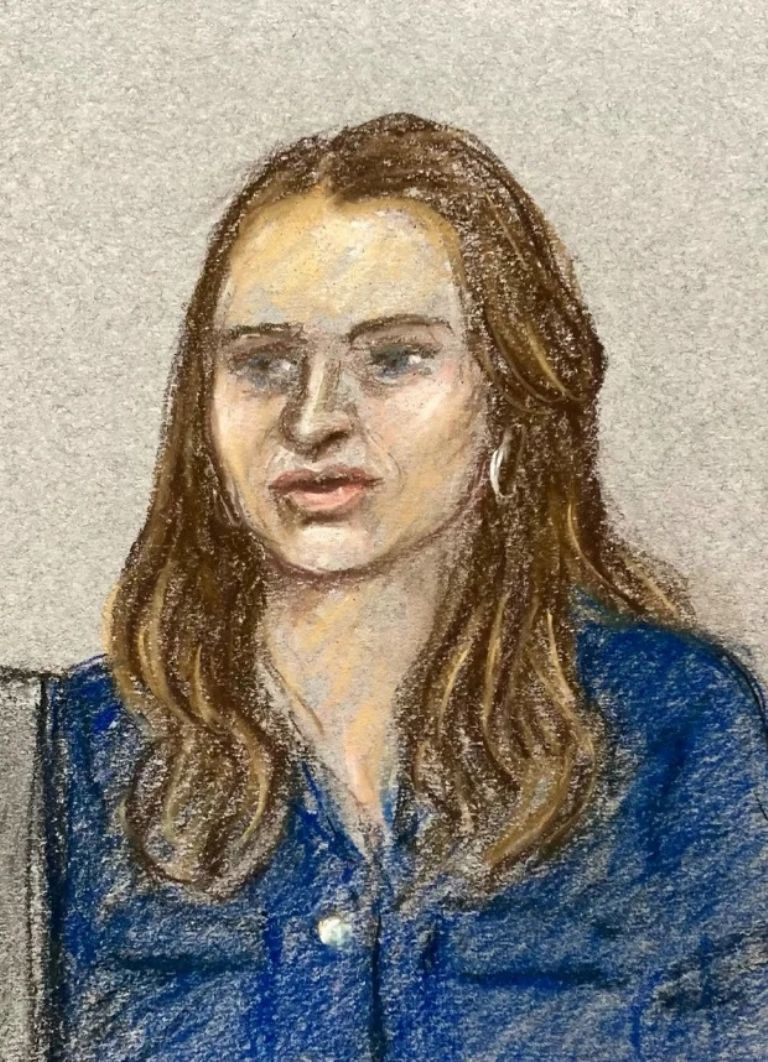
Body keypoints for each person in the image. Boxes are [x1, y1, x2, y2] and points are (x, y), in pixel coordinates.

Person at [34, 113, 767, 1059]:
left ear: (512, 395)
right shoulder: (79, 751)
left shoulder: (674, 723)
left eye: (394, 359)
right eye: (263, 364)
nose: (314, 420)